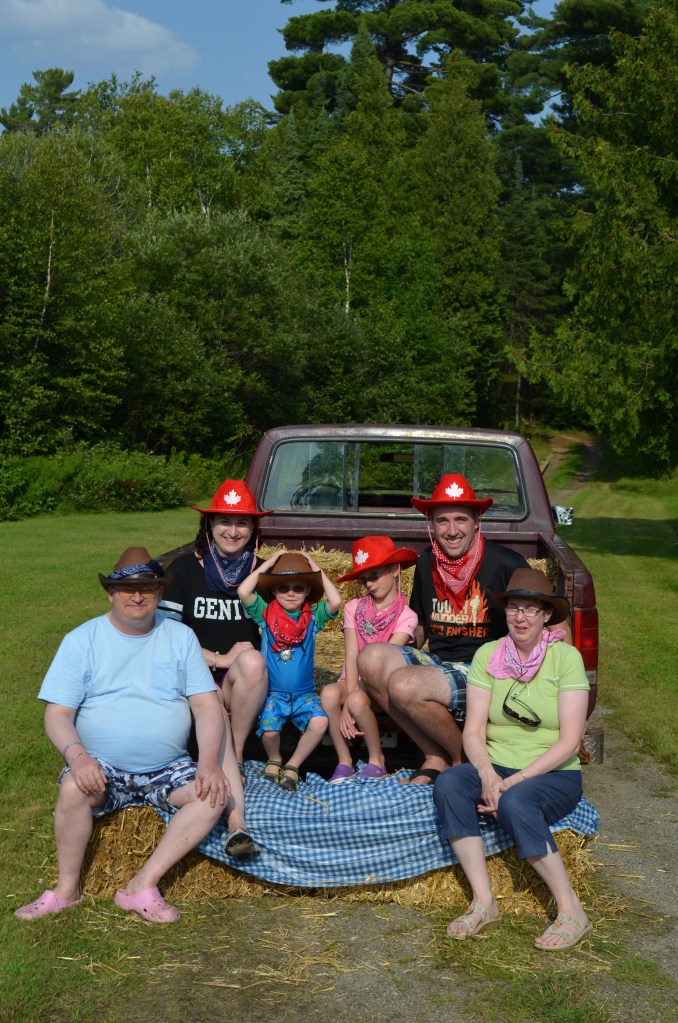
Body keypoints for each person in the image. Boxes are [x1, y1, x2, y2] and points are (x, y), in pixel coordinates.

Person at [15, 547, 255, 926]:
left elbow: (207, 705)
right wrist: (78, 756)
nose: (138, 596)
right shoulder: (82, 640)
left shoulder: (180, 637)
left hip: (168, 767)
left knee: (213, 795)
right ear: (111, 593)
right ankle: (67, 890)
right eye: (128, 588)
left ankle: (142, 885)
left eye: (148, 588)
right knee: (74, 788)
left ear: (160, 593)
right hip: (102, 766)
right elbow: (57, 713)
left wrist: (209, 763)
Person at [432, 568, 592, 950]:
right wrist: (488, 775)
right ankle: (484, 902)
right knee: (449, 783)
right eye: (513, 608)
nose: (520, 617)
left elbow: (570, 741)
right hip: (498, 765)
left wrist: (513, 783)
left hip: (553, 772)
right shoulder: (488, 655)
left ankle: (572, 910)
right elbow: (473, 732)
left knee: (516, 802)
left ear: (546, 615)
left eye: (530, 609)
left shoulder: (566, 659)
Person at [358, 474, 529, 784]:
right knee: (370, 658)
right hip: (440, 666)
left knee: (404, 685)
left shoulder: (507, 563)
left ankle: (464, 760)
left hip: (487, 670)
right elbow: (422, 626)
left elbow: (552, 621)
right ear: (431, 524)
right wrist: (388, 653)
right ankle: (434, 755)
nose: (452, 531)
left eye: (461, 519)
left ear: (477, 521)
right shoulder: (427, 562)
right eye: (442, 521)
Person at [159, 480, 273, 774]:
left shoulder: (264, 574)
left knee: (252, 661)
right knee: (211, 693)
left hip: (242, 682)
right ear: (209, 523)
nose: (233, 532)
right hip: (192, 674)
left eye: (242, 523)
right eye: (224, 521)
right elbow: (166, 634)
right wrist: (218, 659)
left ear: (253, 528)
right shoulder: (184, 569)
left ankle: (236, 754)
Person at [238, 551, 342, 791]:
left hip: (305, 694)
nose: (291, 593)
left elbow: (336, 601)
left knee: (320, 722)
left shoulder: (313, 617)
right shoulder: (266, 614)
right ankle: (275, 758)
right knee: (269, 731)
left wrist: (316, 569)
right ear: (274, 591)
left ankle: (293, 765)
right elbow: (243, 591)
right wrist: (269, 564)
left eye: (298, 587)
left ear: (307, 590)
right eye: (283, 588)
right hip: (273, 693)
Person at [322, 536, 419, 783]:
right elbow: (351, 654)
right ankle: (344, 761)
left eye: (374, 576)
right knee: (329, 694)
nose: (369, 584)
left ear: (395, 570)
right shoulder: (353, 607)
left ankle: (377, 760)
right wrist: (347, 696)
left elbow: (382, 662)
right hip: (353, 679)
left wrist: (350, 700)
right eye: (364, 579)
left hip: (380, 684)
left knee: (356, 700)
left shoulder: (407, 616)